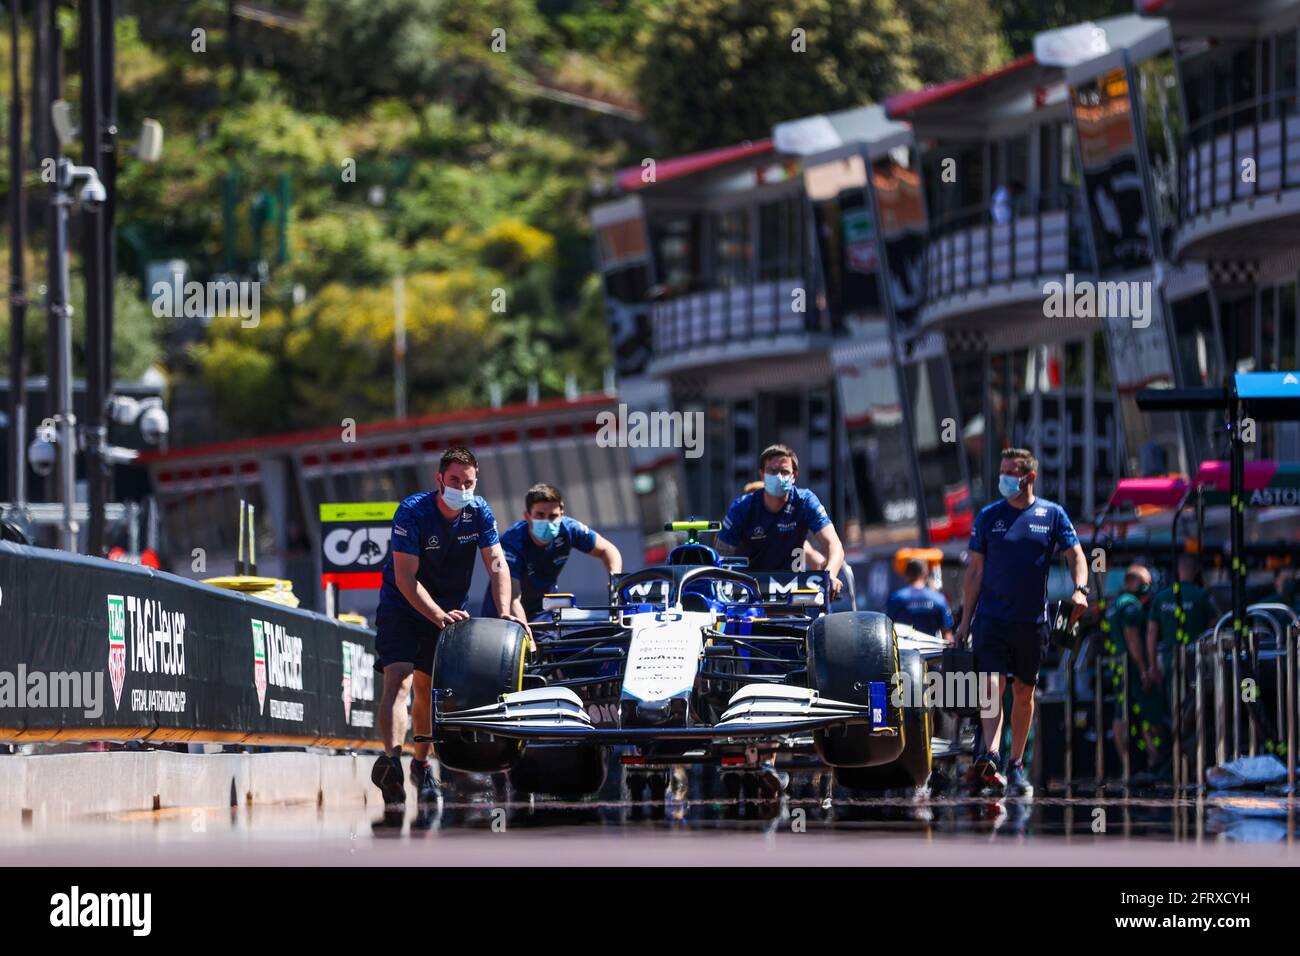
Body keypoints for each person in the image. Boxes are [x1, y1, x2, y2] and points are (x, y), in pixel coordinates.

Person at [369, 446, 528, 810]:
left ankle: (421, 765)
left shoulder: (479, 512)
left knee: (426, 688)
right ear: (439, 479)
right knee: (399, 676)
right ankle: (391, 763)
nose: (461, 487)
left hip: (450, 609)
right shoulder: (413, 512)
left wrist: (504, 612)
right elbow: (406, 579)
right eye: (454, 480)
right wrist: (437, 615)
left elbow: (498, 565)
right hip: (404, 605)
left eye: (468, 481)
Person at [954, 448, 1088, 796]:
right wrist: (965, 621)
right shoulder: (988, 517)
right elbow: (975, 572)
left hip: (1032, 622)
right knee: (991, 684)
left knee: (1024, 692)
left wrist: (1080, 590)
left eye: (1010, 472)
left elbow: (1076, 555)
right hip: (991, 619)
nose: (1003, 478)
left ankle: (1015, 764)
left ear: (1029, 477)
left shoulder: (1052, 514)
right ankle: (993, 753)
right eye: (1001, 471)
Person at [716, 443, 845, 598]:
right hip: (747, 594)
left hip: (791, 591)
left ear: (794, 475)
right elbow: (720, 557)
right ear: (762, 474)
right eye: (772, 471)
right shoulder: (742, 507)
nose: (778, 476)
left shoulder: (804, 501)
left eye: (784, 471)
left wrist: (830, 574)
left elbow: (834, 544)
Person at [481, 482, 623, 620]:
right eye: (540, 515)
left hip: (542, 610)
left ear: (561, 514)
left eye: (553, 516)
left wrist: (615, 580)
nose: (547, 521)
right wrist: (528, 638)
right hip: (504, 614)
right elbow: (513, 598)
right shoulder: (512, 543)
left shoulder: (569, 529)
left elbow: (608, 550)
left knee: (550, 642)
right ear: (527, 516)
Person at [1104, 564, 1161, 772]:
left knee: (1124, 714)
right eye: (1143, 584)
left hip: (1120, 665)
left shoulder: (1117, 603)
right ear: (1129, 582)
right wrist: (1144, 668)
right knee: (1140, 713)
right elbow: (1133, 638)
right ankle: (1152, 760)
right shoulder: (1131, 606)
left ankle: (1133, 765)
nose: (1146, 589)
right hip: (1131, 668)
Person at [885, 557, 955, 642]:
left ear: (906, 575)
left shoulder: (896, 598)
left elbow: (887, 629)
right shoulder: (938, 599)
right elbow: (947, 635)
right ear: (925, 573)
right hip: (930, 652)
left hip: (903, 652)